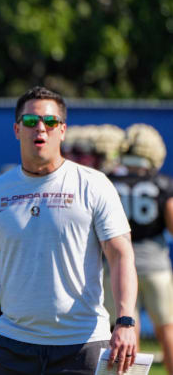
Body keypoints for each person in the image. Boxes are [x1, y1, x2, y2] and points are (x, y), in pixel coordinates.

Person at [0, 86, 138, 375]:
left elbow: (120, 255)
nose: (41, 128)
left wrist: (125, 321)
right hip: (12, 343)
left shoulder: (94, 184)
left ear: (62, 130)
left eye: (50, 122)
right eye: (30, 121)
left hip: (81, 344)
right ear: (17, 129)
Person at [106, 124, 173, 374]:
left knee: (126, 326)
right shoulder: (162, 183)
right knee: (167, 328)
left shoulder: (108, 182)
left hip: (117, 265)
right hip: (155, 264)